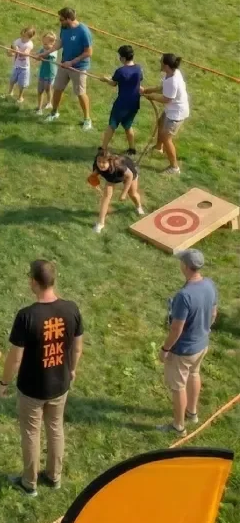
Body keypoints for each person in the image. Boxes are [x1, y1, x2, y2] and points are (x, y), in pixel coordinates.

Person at [0, 259, 84, 496]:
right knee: (56, 429)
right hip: (60, 383)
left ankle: (29, 482)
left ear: (34, 282)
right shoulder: (71, 309)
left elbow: (15, 358)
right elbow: (77, 348)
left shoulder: (27, 316)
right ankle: (54, 477)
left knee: (31, 433)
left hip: (32, 388)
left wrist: (3, 383)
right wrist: (72, 369)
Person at [159, 249, 218, 434]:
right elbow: (214, 313)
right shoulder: (210, 284)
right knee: (194, 374)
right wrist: (203, 330)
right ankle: (192, 413)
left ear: (185, 266)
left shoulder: (184, 296)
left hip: (184, 350)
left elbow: (177, 328)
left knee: (178, 387)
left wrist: (165, 348)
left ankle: (178, 426)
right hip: (202, 344)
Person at [45, 7, 93, 130]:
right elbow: (61, 42)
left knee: (81, 93)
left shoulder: (83, 31)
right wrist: (46, 53)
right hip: (64, 64)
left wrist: (72, 62)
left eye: (61, 19)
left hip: (78, 68)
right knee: (57, 89)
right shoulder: (64, 28)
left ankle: (87, 119)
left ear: (68, 19)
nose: (59, 21)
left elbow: (88, 52)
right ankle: (54, 112)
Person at [143, 54, 190, 175]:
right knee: (160, 122)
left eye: (161, 62)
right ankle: (158, 148)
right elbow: (163, 87)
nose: (160, 63)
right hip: (171, 110)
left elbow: (167, 99)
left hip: (176, 114)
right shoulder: (172, 74)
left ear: (166, 66)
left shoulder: (173, 81)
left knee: (166, 138)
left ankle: (174, 167)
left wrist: (152, 96)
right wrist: (150, 90)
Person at [100, 45, 144, 153]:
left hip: (121, 103)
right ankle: (132, 148)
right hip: (134, 103)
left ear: (123, 58)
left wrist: (105, 79)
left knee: (112, 125)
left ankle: (103, 148)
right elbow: (139, 82)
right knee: (128, 125)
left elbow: (113, 83)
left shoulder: (121, 71)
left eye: (119, 56)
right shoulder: (138, 69)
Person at [92, 148, 145, 233]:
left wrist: (123, 193)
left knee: (132, 193)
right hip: (112, 177)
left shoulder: (118, 165)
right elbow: (96, 170)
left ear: (110, 161)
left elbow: (130, 176)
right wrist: (92, 177)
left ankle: (138, 207)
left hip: (129, 174)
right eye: (99, 162)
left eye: (104, 162)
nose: (100, 164)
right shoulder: (98, 163)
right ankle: (100, 223)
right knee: (106, 197)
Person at [8, 25, 35, 105]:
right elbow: (13, 46)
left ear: (29, 37)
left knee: (22, 84)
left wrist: (18, 51)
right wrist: (13, 49)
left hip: (24, 67)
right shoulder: (18, 40)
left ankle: (20, 97)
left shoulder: (29, 44)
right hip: (16, 65)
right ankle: (10, 92)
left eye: (25, 37)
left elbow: (26, 54)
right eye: (23, 35)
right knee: (12, 80)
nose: (23, 38)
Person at [35, 31, 58, 115]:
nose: (44, 45)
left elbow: (45, 55)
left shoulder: (54, 51)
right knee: (40, 90)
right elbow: (37, 55)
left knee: (48, 89)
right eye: (43, 43)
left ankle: (49, 103)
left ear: (52, 44)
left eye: (46, 44)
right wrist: (37, 56)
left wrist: (40, 56)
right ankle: (39, 108)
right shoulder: (42, 49)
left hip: (50, 74)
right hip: (42, 72)